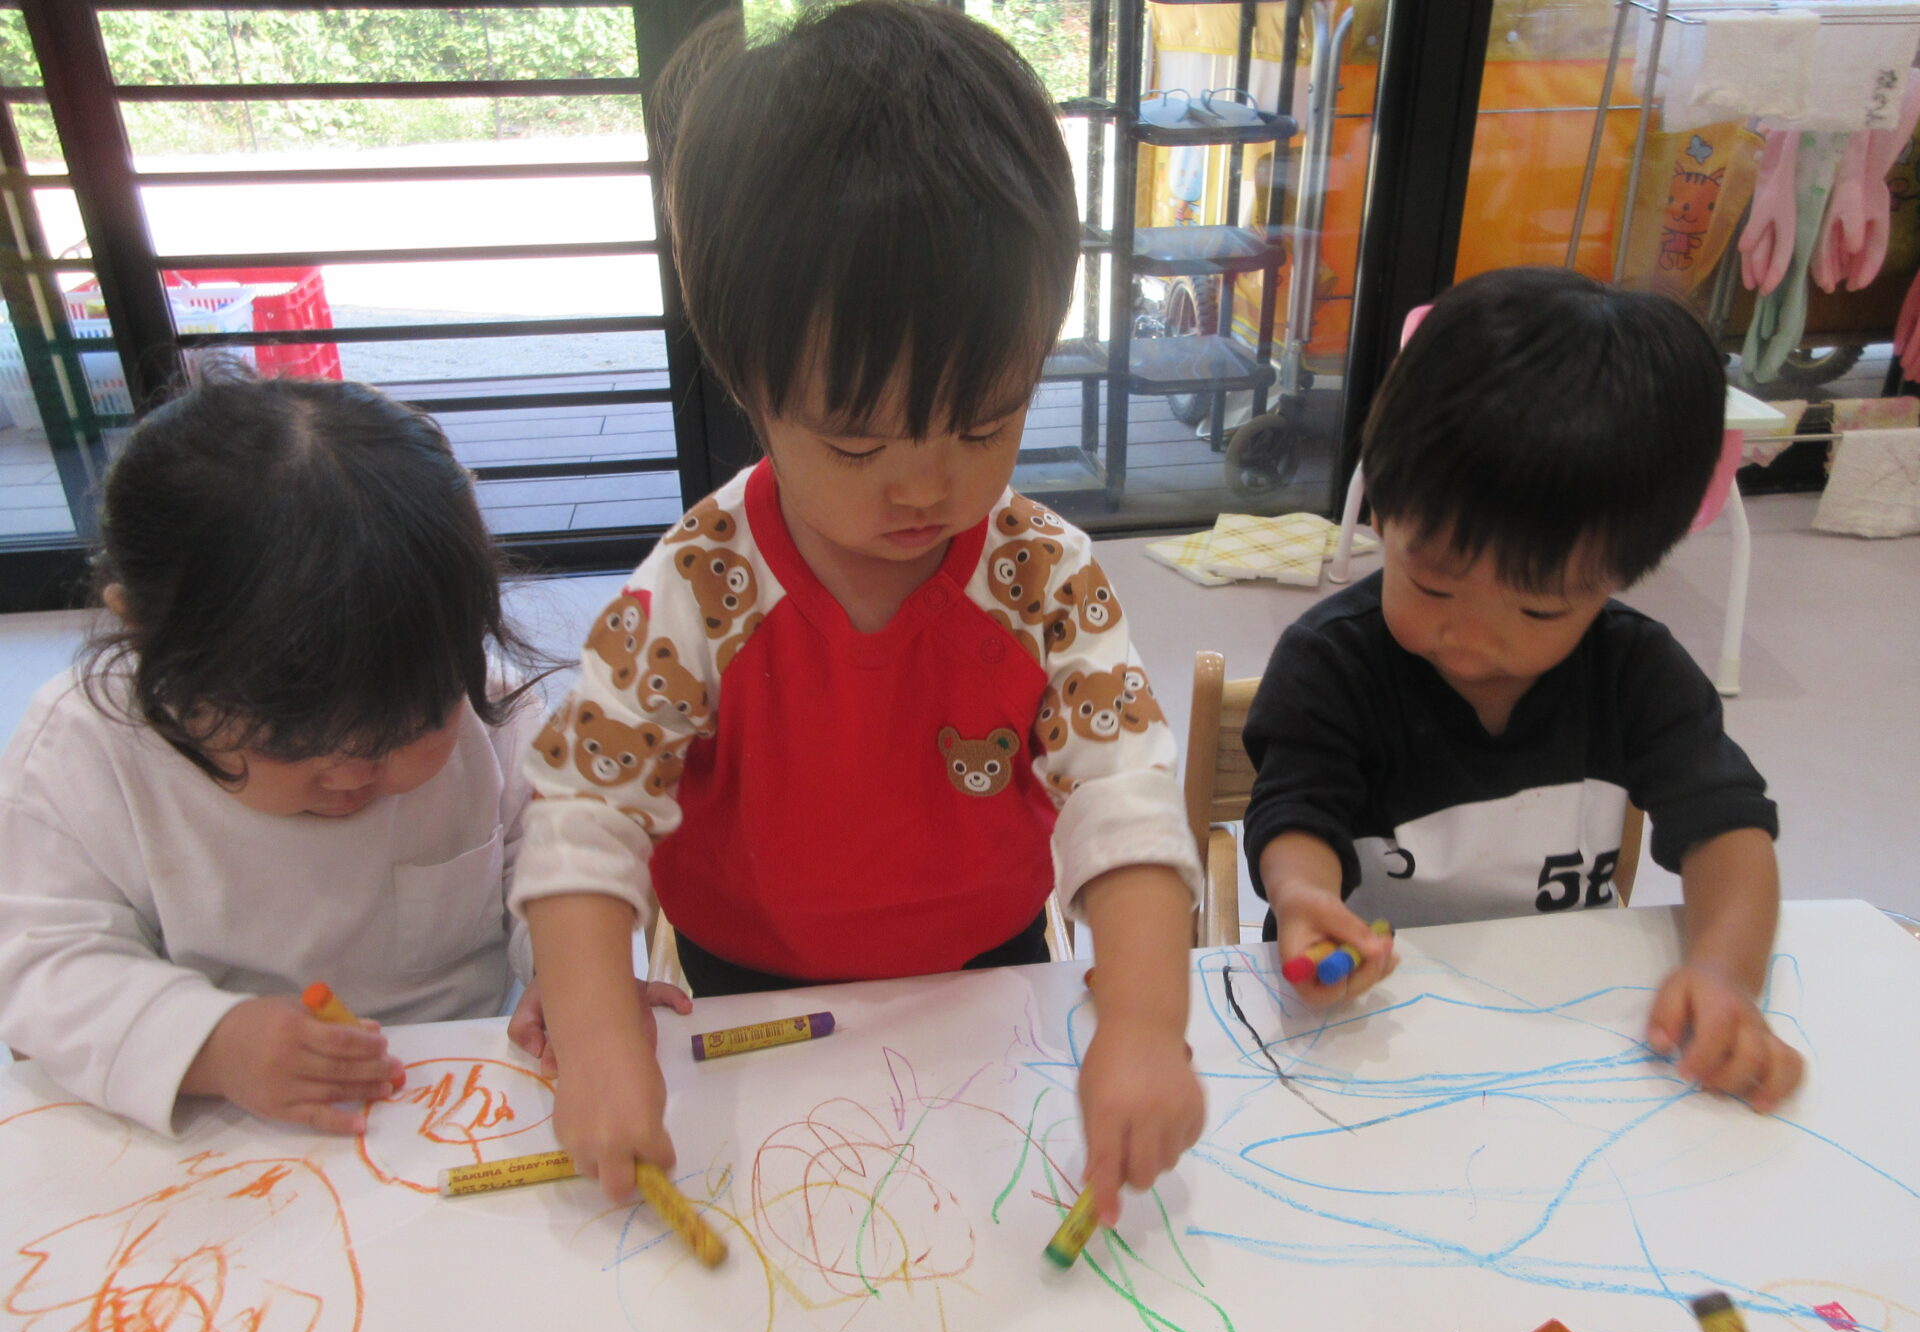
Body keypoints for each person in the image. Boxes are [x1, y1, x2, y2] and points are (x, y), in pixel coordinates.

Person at [508, 0, 1204, 1221]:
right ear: (748, 382)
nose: (926, 486)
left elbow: (1126, 794)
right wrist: (601, 1028)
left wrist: (1146, 1023)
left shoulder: (1043, 576)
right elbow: (583, 814)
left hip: (991, 974)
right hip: (749, 981)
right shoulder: (697, 586)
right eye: (855, 442)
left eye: (984, 423)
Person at [1242, 266, 1803, 1111]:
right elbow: (1296, 812)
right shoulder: (1332, 665)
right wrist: (1303, 895)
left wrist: (1725, 973)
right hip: (1367, 1027)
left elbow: (1730, 832)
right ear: (1382, 515)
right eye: (1433, 584)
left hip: (1562, 1028)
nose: (1472, 637)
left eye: (1539, 609)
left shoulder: (1636, 673)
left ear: (1620, 577)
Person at [0, 371, 561, 1136]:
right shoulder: (84, 748)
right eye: (291, 744)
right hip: (219, 1120)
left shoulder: (481, 702)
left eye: (407, 731)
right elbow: (39, 962)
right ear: (146, 638)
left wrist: (567, 969)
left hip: (460, 1086)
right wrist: (209, 1044)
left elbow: (549, 859)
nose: (354, 775)